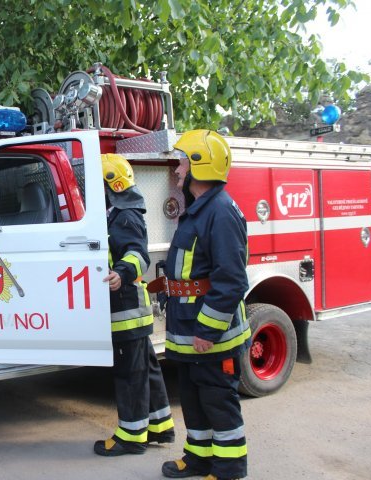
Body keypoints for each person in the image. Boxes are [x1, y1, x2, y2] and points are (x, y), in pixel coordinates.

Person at [156, 130, 250, 480]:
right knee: (195, 399)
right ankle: (199, 459)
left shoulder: (221, 213)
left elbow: (230, 281)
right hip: (189, 327)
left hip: (211, 335)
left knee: (218, 402)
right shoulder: (200, 209)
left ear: (199, 165)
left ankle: (228, 470)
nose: (177, 169)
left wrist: (208, 330)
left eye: (182, 161)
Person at [94, 154, 175, 457]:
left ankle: (131, 436)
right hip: (132, 311)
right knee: (146, 370)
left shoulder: (124, 217)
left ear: (110, 186)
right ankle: (159, 426)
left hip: (125, 309)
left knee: (130, 375)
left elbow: (138, 254)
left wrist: (121, 273)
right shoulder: (117, 213)